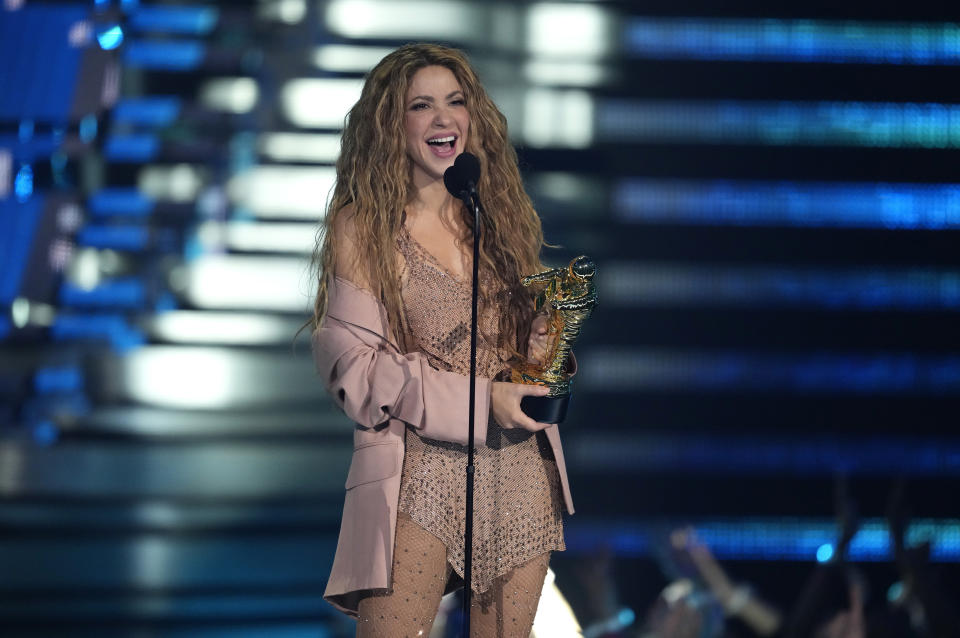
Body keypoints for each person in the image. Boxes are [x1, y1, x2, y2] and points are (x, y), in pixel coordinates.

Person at [309, 43, 576, 638]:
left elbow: (512, 367)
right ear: (390, 125)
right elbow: (353, 371)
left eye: (456, 102)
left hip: (516, 471)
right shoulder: (364, 226)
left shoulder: (496, 216)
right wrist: (482, 400)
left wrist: (535, 352)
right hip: (419, 472)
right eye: (421, 105)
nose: (443, 118)